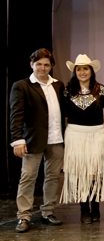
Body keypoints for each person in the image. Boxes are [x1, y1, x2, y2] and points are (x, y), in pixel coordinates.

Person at [10, 48, 65, 232]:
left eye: (46, 64)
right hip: (33, 140)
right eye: (39, 64)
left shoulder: (58, 85)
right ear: (32, 64)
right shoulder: (22, 85)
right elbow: (16, 115)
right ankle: (24, 216)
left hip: (56, 139)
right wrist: (17, 139)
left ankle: (48, 212)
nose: (42, 68)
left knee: (53, 177)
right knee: (28, 177)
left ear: (51, 66)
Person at [60, 54, 104, 224]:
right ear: (75, 71)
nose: (82, 72)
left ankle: (95, 207)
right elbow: (62, 113)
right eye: (79, 69)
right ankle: (84, 209)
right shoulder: (68, 90)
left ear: (91, 71)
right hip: (75, 135)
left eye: (85, 68)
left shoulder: (101, 90)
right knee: (81, 173)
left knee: (95, 173)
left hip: (97, 135)